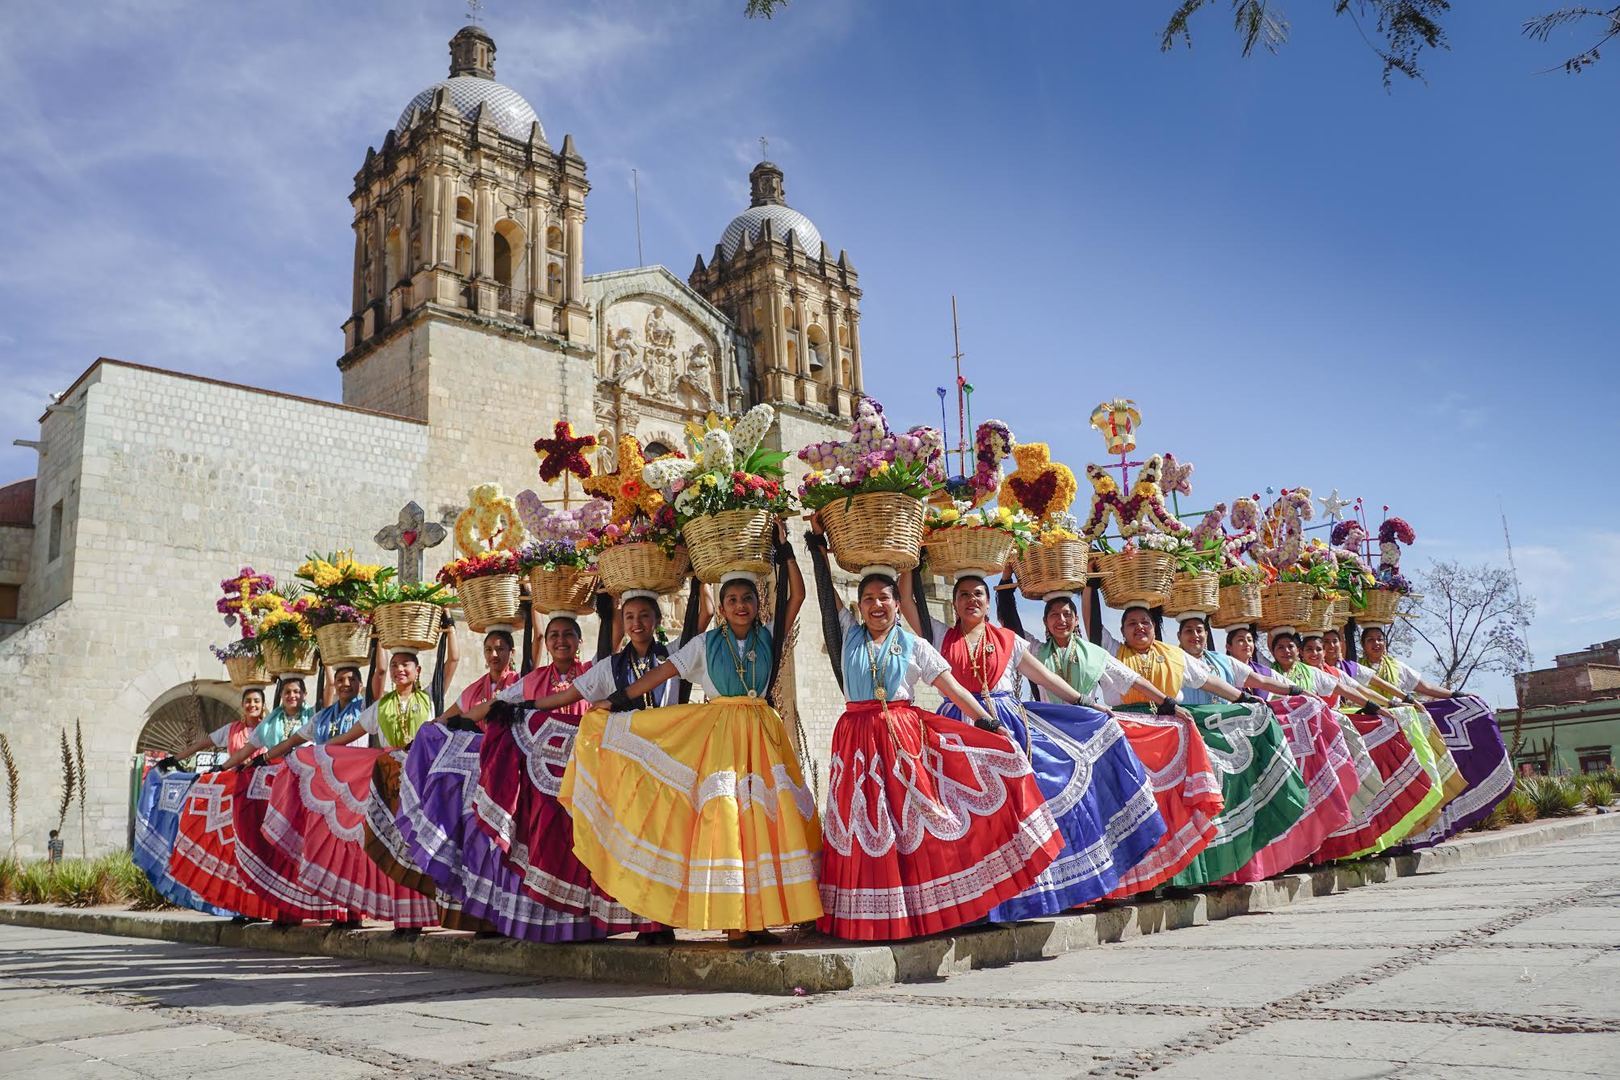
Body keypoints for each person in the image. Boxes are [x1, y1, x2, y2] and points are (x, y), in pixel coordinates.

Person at [542, 531, 823, 945]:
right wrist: (617, 700)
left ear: (759, 603)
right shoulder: (704, 644)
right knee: (729, 823)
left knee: (765, 823)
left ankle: (761, 919)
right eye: (731, 600)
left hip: (765, 736)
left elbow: (796, 596)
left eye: (747, 598)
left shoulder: (769, 636)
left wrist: (787, 552)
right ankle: (735, 922)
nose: (740, 606)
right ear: (723, 608)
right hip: (722, 738)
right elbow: (662, 673)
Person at [806, 521, 1062, 940]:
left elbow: (953, 688)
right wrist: (815, 547)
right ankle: (868, 917)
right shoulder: (848, 635)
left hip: (903, 738)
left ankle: (919, 914)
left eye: (883, 598)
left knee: (911, 824)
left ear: (894, 603)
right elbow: (822, 595)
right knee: (865, 822)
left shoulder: (914, 645)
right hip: (855, 738)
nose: (876, 605)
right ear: (857, 605)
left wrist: (987, 722)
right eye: (867, 598)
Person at [898, 572, 1163, 917]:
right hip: (956, 730)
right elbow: (906, 601)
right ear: (954, 604)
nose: (971, 600)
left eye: (978, 593)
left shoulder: (1009, 640)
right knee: (966, 816)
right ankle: (977, 905)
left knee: (1020, 810)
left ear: (988, 601)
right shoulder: (939, 636)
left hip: (1007, 727)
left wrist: (1085, 702)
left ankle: (1027, 896)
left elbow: (1044, 677)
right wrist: (910, 563)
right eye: (963, 595)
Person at [995, 582, 1226, 898]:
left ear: (1077, 620)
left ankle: (1107, 887)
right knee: (1057, 814)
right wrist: (1006, 588)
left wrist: (1168, 703)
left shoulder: (1095, 655)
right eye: (1053, 615)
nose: (1061, 620)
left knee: (1097, 811)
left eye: (1067, 614)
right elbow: (1010, 623)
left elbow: (1131, 679)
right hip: (1048, 738)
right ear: (1045, 622)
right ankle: (1067, 891)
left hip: (1089, 737)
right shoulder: (1033, 650)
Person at [458, 612, 659, 940]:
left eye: (568, 634)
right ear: (547, 643)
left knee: (592, 846)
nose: (561, 640)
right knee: (550, 848)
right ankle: (550, 924)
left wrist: (613, 601)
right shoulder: (533, 680)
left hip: (591, 775)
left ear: (580, 642)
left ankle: (599, 922)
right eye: (553, 635)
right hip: (546, 783)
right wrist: (460, 720)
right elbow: (499, 703)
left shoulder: (593, 672)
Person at [1113, 605, 1308, 887]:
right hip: (1130, 735)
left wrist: (1245, 699)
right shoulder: (1110, 652)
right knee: (1139, 808)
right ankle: (1144, 883)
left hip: (1170, 737)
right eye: (1132, 623)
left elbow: (1210, 682)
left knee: (1176, 809)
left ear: (1156, 628)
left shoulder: (1174, 656)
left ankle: (1179, 881)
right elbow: (1090, 618)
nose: (1140, 627)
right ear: (1121, 631)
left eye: (1146, 621)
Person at [1167, 614, 1355, 882]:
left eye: (1199, 630)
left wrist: (1296, 691)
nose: (1195, 635)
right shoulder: (1174, 659)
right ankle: (1205, 875)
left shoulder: (1223, 662)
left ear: (1207, 635)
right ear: (1179, 636)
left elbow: (1262, 681)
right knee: (1202, 807)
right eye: (1188, 631)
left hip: (1229, 744)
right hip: (1195, 739)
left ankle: (1237, 871)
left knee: (1234, 804)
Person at [262, 651, 439, 933]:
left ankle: (422, 915)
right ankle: (405, 920)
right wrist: (316, 755)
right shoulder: (380, 707)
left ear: (418, 669)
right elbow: (346, 739)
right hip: (390, 780)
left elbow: (451, 662)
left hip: (423, 776)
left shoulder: (431, 698)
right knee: (395, 845)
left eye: (405, 664)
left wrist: (449, 629)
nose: (399, 670)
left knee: (417, 842)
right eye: (394, 665)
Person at [1277, 629, 1441, 860]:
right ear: (1301, 653)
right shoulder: (1273, 675)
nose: (1316, 652)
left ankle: (1350, 847)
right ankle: (1305, 855)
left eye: (1321, 647)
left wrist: (1391, 705)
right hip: (1295, 742)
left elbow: (1354, 691)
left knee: (1348, 786)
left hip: (1327, 737)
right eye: (1311, 649)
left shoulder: (1326, 674)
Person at [434, 630, 520, 728]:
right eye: (488, 650)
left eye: (500, 649)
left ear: (512, 652)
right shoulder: (473, 690)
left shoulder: (518, 682)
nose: (493, 655)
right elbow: (443, 719)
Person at [166, 687, 265, 764]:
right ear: (242, 704)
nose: (252, 704)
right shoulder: (231, 729)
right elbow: (200, 745)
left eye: (256, 701)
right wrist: (173, 760)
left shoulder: (269, 729)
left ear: (263, 705)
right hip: (236, 781)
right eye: (248, 701)